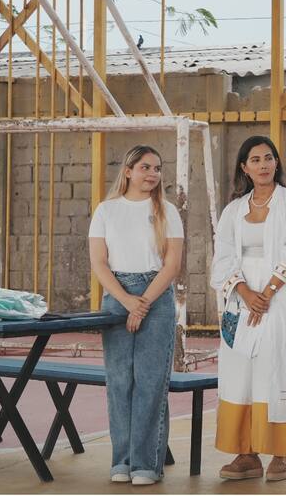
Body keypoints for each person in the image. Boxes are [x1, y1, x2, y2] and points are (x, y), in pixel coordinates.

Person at [210, 136, 286, 483]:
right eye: (255, 160)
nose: (263, 165)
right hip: (241, 301)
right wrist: (245, 292)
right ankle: (247, 453)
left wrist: (267, 293)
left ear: (276, 163)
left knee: (274, 369)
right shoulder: (233, 210)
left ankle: (282, 452)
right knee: (239, 372)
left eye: (268, 158)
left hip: (280, 299)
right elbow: (223, 256)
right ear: (244, 167)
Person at [88, 145, 184, 486]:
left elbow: (171, 264)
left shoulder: (167, 211)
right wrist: (127, 301)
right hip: (117, 295)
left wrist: (142, 302)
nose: (153, 174)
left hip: (155, 294)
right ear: (128, 171)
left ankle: (146, 464)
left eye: (157, 168)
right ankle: (122, 461)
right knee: (119, 382)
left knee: (150, 382)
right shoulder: (106, 210)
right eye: (146, 167)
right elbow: (99, 262)